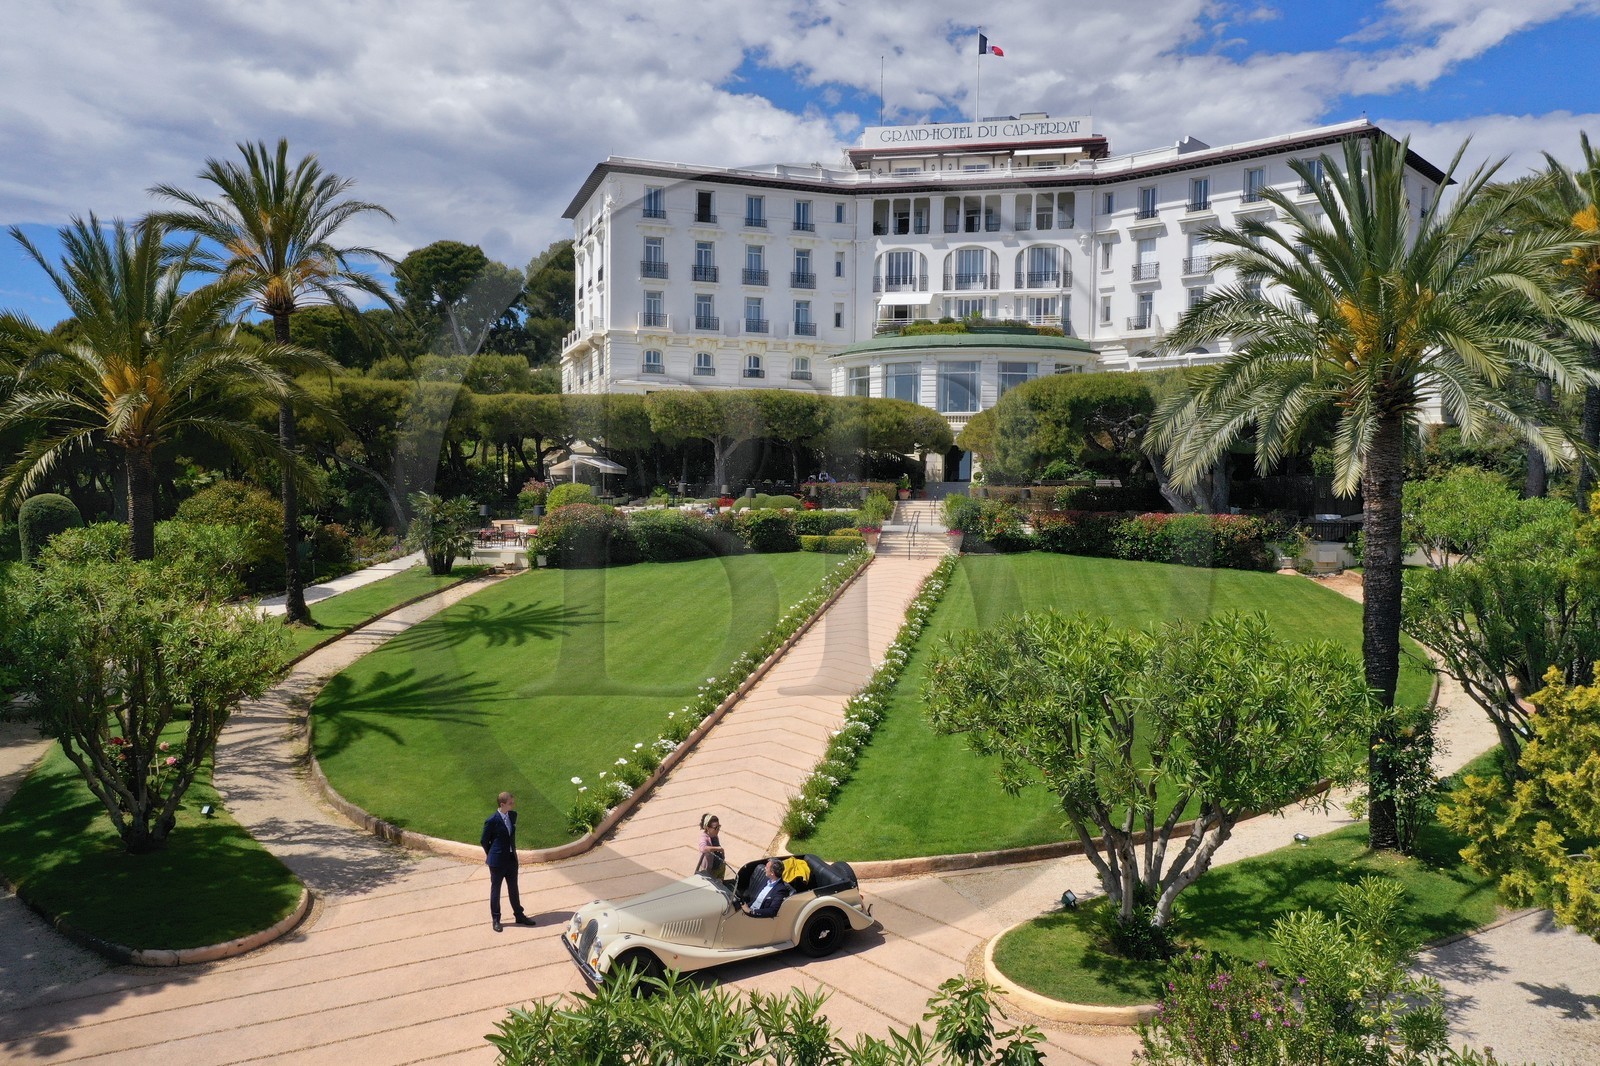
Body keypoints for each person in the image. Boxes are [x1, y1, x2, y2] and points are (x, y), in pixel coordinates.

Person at [480, 791, 535, 932]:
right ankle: (496, 919)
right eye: (510, 803)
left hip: (511, 860)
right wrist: (492, 854)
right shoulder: (492, 820)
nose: (513, 805)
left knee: (513, 889)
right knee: (496, 890)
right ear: (502, 804)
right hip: (497, 862)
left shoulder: (512, 815)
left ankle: (519, 915)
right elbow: (484, 841)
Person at [694, 813, 726, 878]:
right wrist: (718, 849)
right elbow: (703, 848)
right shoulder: (704, 838)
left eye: (719, 827)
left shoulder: (714, 835)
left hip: (720, 867)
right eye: (716, 828)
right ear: (707, 828)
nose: (718, 829)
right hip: (710, 871)